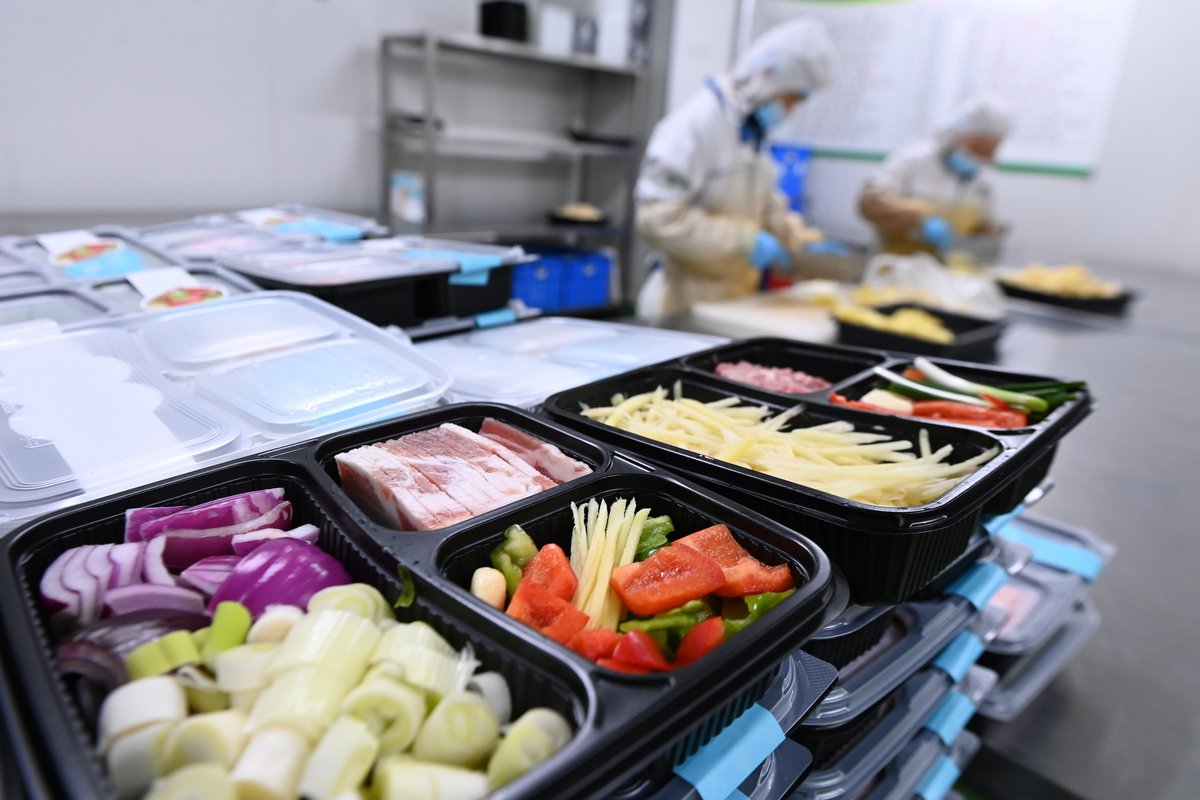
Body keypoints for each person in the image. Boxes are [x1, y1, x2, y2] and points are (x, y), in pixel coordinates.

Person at [634, 18, 841, 321]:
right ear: (769, 77)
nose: (791, 110)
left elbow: (767, 208)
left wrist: (805, 242)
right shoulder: (696, 124)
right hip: (682, 303)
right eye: (792, 99)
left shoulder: (751, 132)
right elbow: (657, 219)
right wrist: (742, 242)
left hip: (732, 300)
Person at [858, 97, 1014, 258]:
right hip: (892, 263)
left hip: (945, 270)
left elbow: (988, 226)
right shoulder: (913, 159)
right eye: (976, 146)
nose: (978, 156)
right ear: (957, 134)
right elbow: (869, 203)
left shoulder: (983, 180)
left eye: (988, 151)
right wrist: (920, 218)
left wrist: (985, 233)